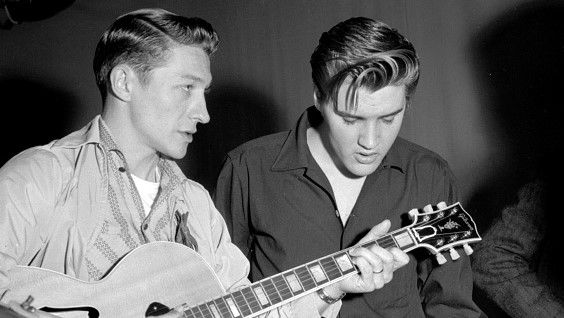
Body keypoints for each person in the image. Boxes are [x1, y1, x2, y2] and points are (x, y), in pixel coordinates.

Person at [0, 8, 408, 317]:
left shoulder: (195, 205)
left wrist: (331, 287)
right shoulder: (40, 176)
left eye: (205, 91)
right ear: (124, 82)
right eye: (186, 88)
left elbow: (251, 309)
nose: (204, 113)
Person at [214, 17, 482, 317]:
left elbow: (453, 309)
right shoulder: (247, 169)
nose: (370, 142)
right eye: (350, 120)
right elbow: (220, 299)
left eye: (389, 119)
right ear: (319, 98)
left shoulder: (430, 173)